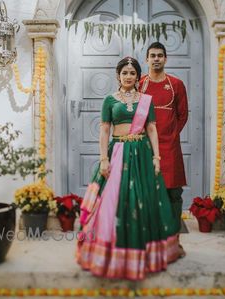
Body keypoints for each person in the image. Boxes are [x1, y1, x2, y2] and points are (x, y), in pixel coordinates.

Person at [76, 57, 181, 280]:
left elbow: (152, 129)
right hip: (118, 153)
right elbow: (104, 130)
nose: (128, 76)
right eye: (124, 73)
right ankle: (111, 253)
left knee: (144, 199)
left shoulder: (146, 100)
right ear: (118, 75)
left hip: (142, 153)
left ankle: (145, 253)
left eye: (133, 73)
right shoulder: (109, 100)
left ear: (137, 76)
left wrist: (157, 157)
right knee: (114, 200)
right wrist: (103, 159)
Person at [139, 42, 188, 257]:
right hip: (145, 147)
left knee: (173, 193)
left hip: (170, 148)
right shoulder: (140, 85)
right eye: (152, 55)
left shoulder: (176, 84)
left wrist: (170, 134)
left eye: (160, 55)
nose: (156, 59)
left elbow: (183, 114)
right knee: (147, 192)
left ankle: (173, 242)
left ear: (165, 59)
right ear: (147, 60)